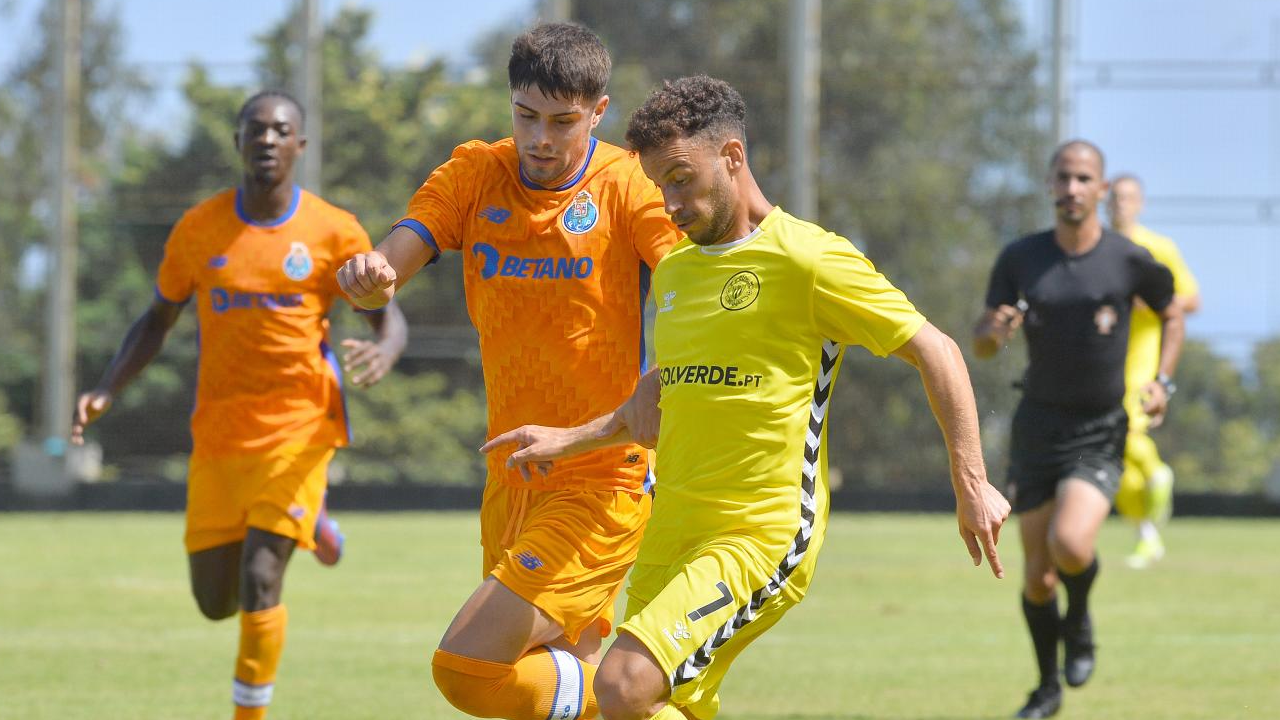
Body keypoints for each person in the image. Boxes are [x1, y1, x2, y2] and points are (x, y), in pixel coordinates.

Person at [481, 75, 1011, 720]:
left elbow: (938, 350)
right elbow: (666, 399)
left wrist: (971, 481)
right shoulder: (675, 273)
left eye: (682, 180)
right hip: (671, 531)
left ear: (732, 156)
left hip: (759, 534)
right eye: (659, 186)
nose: (670, 204)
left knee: (619, 685)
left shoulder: (808, 259)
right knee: (656, 706)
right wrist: (569, 439)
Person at [335, 23, 680, 720]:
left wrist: (669, 377)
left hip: (602, 478)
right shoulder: (474, 173)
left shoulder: (627, 186)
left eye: (562, 122)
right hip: (511, 474)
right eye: (526, 116)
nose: (540, 139)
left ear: (598, 112)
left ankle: (641, 694)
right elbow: (394, 260)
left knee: (467, 669)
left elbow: (690, 287)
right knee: (553, 685)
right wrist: (371, 278)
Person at [70, 90, 408, 720]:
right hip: (221, 435)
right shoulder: (199, 229)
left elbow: (387, 316)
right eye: (256, 129)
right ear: (238, 142)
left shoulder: (335, 231)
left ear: (299, 145)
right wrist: (107, 387)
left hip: (301, 429)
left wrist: (385, 350)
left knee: (260, 578)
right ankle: (316, 521)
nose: (267, 139)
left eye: (281, 130)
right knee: (215, 601)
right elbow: (157, 318)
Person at [973, 140, 1185, 718]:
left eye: (1084, 179)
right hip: (1037, 429)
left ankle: (1082, 617)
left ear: (1102, 188)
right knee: (1038, 579)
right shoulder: (1021, 257)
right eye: (1063, 177)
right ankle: (1047, 690)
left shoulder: (1129, 259)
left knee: (1071, 544)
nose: (1072, 188)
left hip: (1100, 428)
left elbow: (1172, 313)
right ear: (1050, 184)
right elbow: (984, 343)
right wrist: (994, 331)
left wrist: (1163, 382)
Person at [1107, 174, 1201, 568]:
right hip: (1101, 357)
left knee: (1124, 426)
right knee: (1110, 450)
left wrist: (1149, 301)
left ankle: (1157, 472)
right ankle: (1146, 533)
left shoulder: (1158, 247)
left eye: (1128, 197)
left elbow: (1191, 300)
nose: (1120, 204)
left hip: (1142, 355)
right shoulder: (1096, 247)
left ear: (1140, 203)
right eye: (1115, 197)